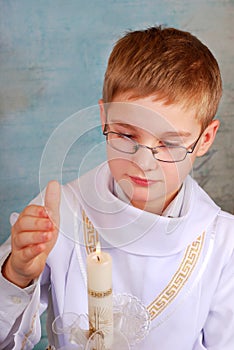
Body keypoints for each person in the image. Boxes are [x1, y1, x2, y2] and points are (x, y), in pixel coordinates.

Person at [0, 25, 233, 350]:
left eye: (169, 143)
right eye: (126, 135)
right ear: (104, 116)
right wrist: (17, 274)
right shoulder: (61, 214)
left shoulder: (222, 244)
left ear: (204, 139)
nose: (144, 163)